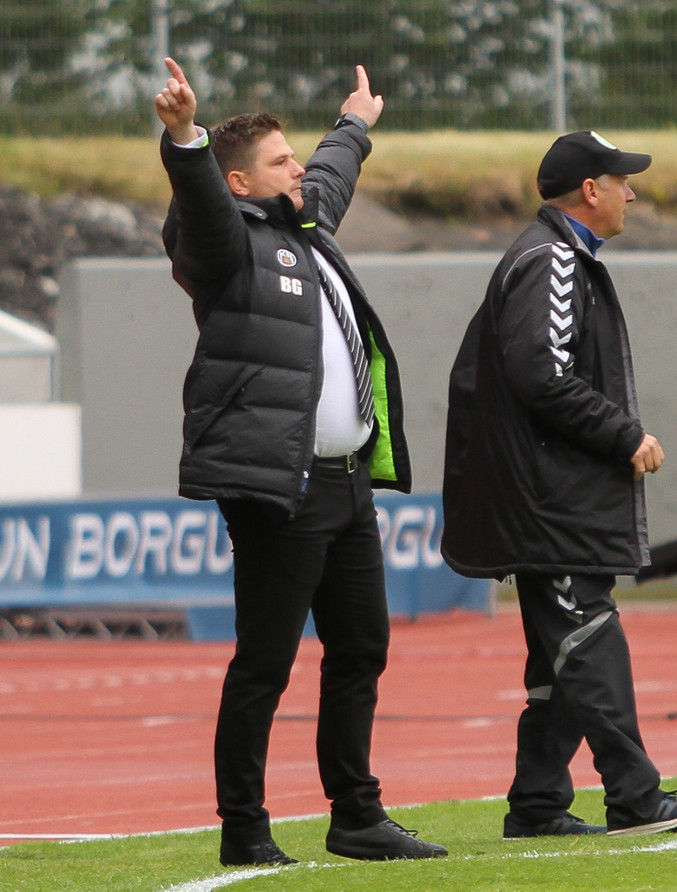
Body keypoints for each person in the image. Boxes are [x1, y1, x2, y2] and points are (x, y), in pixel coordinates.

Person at [155, 57, 447, 866]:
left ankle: (357, 816)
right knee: (266, 664)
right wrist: (185, 139)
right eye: (281, 162)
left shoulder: (304, 227)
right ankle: (244, 829)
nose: (299, 171)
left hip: (347, 484)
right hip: (281, 488)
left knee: (361, 650)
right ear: (239, 184)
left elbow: (330, 175)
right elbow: (200, 205)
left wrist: (354, 124)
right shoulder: (222, 244)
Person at [441, 131, 677, 839]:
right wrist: (623, 433)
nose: (633, 192)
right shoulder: (553, 259)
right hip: (546, 499)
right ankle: (635, 797)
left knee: (562, 650)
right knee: (589, 635)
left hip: (545, 494)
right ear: (590, 191)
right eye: (621, 181)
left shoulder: (555, 255)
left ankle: (537, 805)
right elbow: (540, 373)